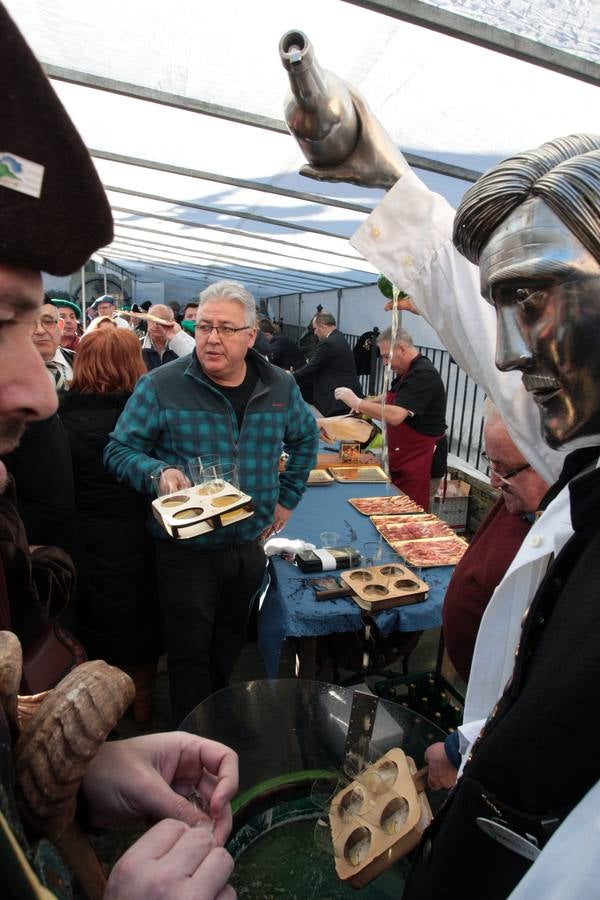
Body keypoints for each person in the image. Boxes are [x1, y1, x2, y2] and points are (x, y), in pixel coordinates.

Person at [288, 66, 600, 899]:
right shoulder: (589, 452)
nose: (505, 353)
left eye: (532, 303)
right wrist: (388, 176)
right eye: (504, 309)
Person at [0, 6, 237, 896]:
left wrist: (69, 777)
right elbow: (115, 465)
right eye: (0, 321)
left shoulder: (280, 392)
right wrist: (158, 477)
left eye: (35, 324)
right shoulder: (155, 393)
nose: (38, 391)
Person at [105, 279, 319, 722]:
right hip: (186, 549)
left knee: (229, 641)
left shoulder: (279, 386)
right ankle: (190, 736)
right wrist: (156, 472)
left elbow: (305, 437)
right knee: (187, 652)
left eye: (225, 328)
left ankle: (218, 716)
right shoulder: (162, 386)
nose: (212, 338)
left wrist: (287, 499)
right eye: (203, 327)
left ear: (251, 334)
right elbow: (117, 449)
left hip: (247, 545)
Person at [426, 404, 548, 791]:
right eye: (488, 463)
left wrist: (460, 748)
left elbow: (540, 691)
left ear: (552, 460)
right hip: (480, 702)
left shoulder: (571, 546)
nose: (493, 482)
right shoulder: (524, 499)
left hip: (500, 741)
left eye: (505, 469)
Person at [59, 328, 164, 724]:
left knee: (93, 624)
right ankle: (144, 706)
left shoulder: (59, 417)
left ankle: (100, 715)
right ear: (134, 365)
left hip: (85, 538)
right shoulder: (146, 417)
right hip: (139, 534)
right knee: (141, 625)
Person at [335, 326, 446, 510]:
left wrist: (357, 403)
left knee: (412, 514)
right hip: (406, 457)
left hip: (423, 461)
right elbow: (390, 396)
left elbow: (396, 416)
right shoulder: (407, 372)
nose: (385, 363)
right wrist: (366, 404)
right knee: (398, 507)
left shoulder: (423, 373)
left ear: (402, 348)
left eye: (387, 356)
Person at [293, 311, 363, 416]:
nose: (315, 333)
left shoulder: (328, 343)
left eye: (315, 329)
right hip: (345, 395)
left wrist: (290, 377)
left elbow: (311, 367)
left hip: (338, 400)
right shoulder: (338, 337)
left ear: (323, 327)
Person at [32, 300, 75, 390]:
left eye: (48, 322)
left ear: (60, 326)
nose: (40, 330)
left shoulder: (80, 362)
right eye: (30, 323)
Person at [141, 302, 195, 370]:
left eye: (161, 320)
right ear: (147, 321)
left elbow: (196, 360)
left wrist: (179, 336)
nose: (156, 324)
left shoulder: (180, 344)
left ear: (172, 321)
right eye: (152, 319)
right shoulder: (138, 345)